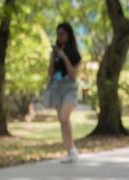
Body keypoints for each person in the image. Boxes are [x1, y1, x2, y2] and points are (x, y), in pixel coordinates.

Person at [46, 22, 82, 163]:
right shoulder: (55, 52)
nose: (59, 36)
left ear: (68, 34)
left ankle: (72, 150)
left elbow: (73, 74)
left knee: (64, 117)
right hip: (56, 87)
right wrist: (52, 58)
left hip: (69, 87)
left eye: (62, 33)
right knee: (62, 120)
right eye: (58, 33)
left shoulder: (74, 52)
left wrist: (63, 56)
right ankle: (69, 151)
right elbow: (51, 73)